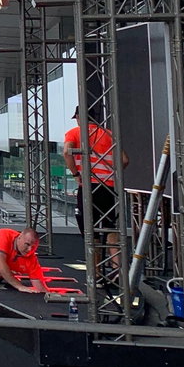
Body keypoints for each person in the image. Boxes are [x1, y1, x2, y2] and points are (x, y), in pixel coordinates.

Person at [65, 108, 128, 276]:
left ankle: (96, 273)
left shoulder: (75, 133)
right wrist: (109, 173)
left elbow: (66, 152)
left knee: (89, 231)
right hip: (108, 187)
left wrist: (76, 174)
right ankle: (118, 272)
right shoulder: (109, 134)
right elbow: (124, 160)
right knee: (109, 228)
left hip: (88, 187)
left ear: (79, 117)